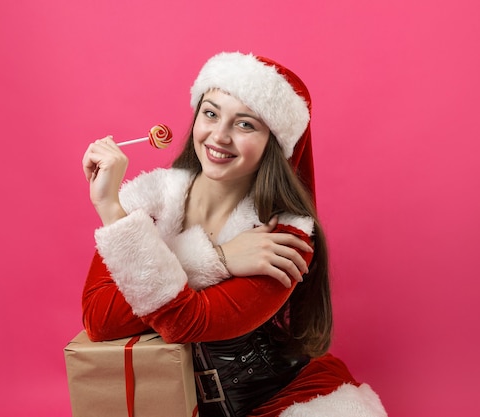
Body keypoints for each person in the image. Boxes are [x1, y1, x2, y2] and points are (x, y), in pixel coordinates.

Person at [80, 52, 387, 417]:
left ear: (273, 142)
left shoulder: (283, 234)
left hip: (288, 400)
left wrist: (117, 216)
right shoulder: (147, 202)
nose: (219, 136)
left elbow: (185, 322)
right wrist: (217, 258)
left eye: (245, 125)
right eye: (210, 113)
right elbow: (100, 321)